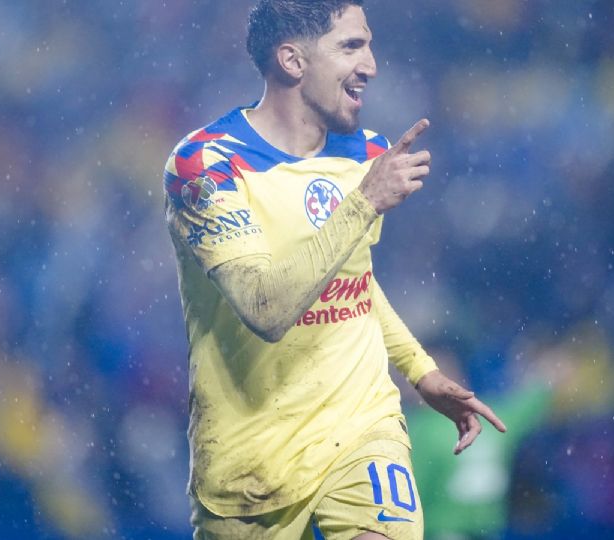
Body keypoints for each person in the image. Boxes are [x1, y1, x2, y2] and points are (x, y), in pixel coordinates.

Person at [162, 1, 506, 538]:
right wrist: (364, 201)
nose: (371, 64)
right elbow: (264, 307)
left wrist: (420, 370)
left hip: (361, 427)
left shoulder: (364, 152)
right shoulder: (207, 164)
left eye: (368, 44)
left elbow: (352, 281)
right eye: (351, 46)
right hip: (251, 459)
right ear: (292, 61)